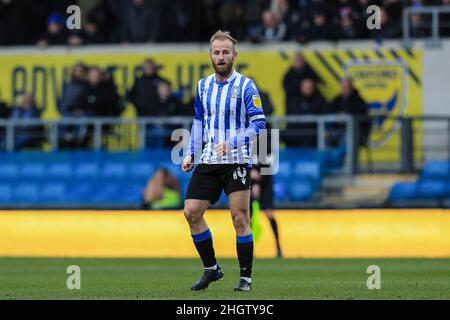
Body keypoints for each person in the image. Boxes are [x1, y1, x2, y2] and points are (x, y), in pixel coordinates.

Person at [181, 30, 266, 292]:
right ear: (210, 55)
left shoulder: (246, 86)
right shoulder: (203, 86)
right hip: (209, 159)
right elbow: (198, 121)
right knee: (191, 212)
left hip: (237, 160)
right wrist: (191, 152)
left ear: (234, 55)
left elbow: (259, 124)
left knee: (239, 217)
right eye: (217, 52)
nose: (221, 56)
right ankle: (212, 269)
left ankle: (245, 278)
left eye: (225, 52)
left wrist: (233, 142)